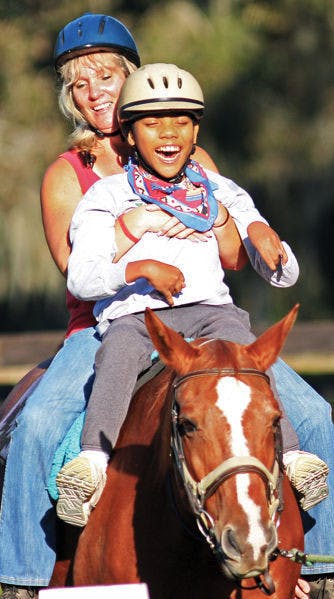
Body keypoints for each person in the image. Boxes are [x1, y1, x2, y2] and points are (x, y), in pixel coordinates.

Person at [0, 12, 330, 599]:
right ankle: (22, 576)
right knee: (39, 426)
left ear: (129, 79)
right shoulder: (71, 176)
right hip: (110, 323)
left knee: (312, 414)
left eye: (105, 75)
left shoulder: (193, 162)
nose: (94, 91)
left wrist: (244, 229)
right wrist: (135, 236)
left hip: (206, 311)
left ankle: (322, 564)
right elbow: (79, 277)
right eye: (80, 83)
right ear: (72, 99)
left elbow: (229, 252)